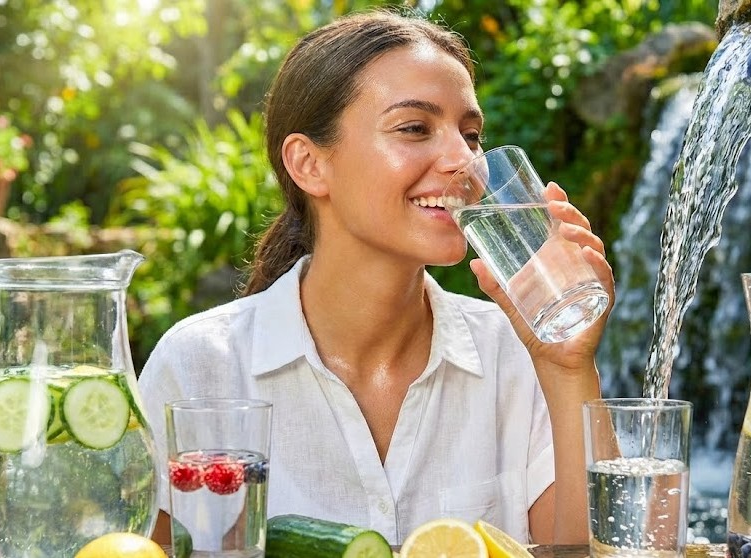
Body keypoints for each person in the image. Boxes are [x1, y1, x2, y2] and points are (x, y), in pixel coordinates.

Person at [138, 8, 615, 546]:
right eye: (414, 128)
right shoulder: (199, 367)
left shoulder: (514, 355)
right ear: (309, 164)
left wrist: (567, 367)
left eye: (471, 135)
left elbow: (591, 552)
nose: (463, 161)